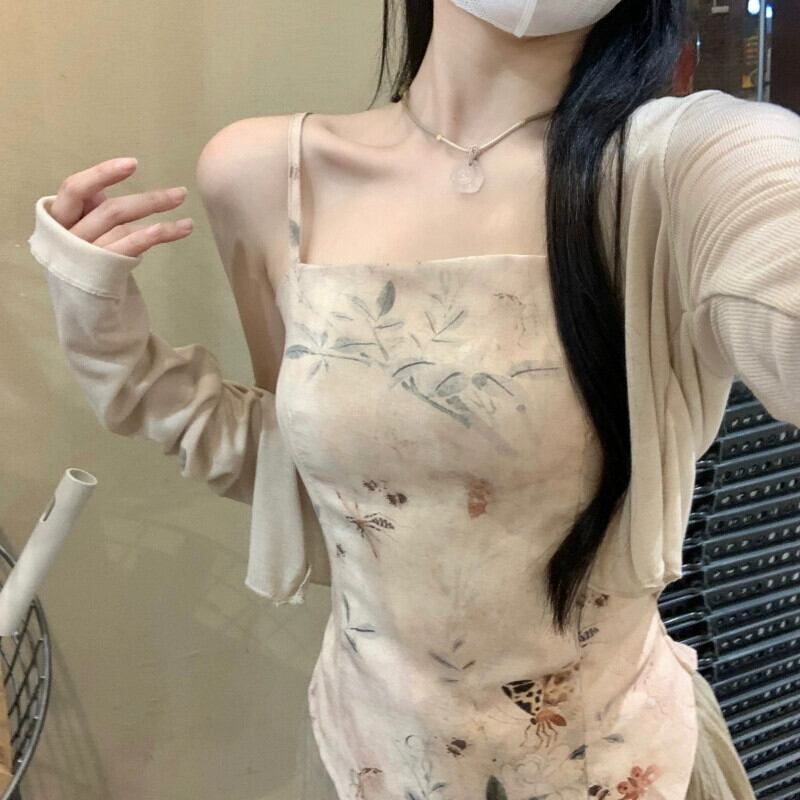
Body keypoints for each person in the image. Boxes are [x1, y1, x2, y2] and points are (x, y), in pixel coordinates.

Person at [28, 0, 800, 797]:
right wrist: (109, 343)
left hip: (620, 765)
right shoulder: (268, 176)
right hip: (369, 760)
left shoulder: (684, 172)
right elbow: (301, 464)